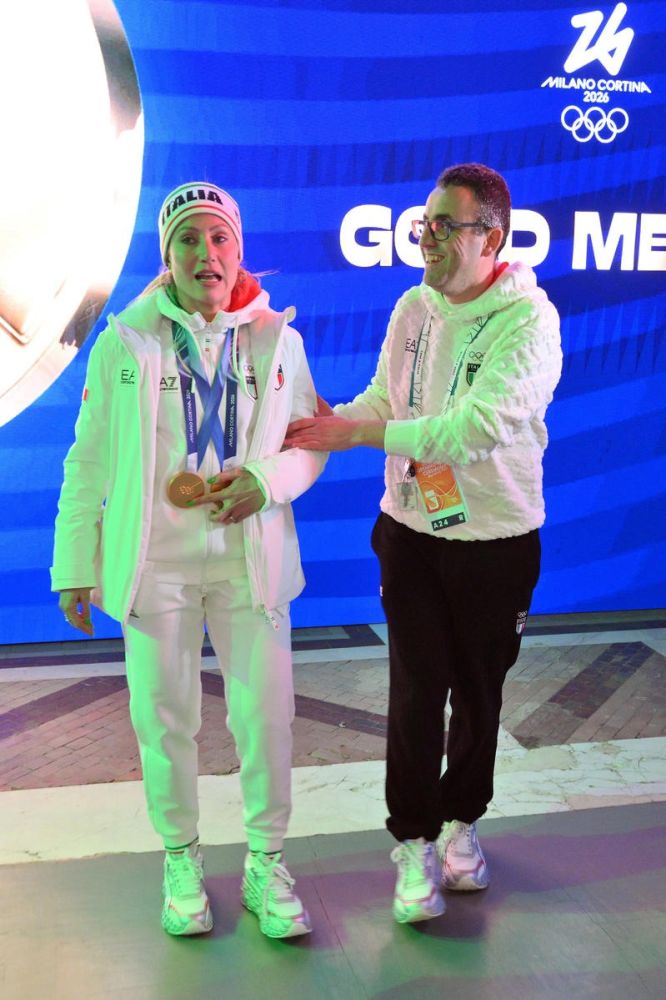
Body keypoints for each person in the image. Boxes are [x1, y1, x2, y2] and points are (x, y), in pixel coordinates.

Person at [285, 163, 562, 924]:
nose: (427, 239)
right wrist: (330, 424)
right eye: (423, 225)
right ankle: (411, 842)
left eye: (444, 226)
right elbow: (386, 400)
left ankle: (460, 823)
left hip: (496, 541)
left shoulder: (530, 323)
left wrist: (361, 434)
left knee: (478, 692)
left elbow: (474, 432)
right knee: (414, 691)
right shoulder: (414, 306)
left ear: (490, 238)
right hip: (408, 532)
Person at [51, 181, 326, 939]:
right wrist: (75, 564)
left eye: (220, 238)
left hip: (250, 561)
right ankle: (181, 858)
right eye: (189, 240)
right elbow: (88, 460)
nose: (207, 254)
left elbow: (309, 445)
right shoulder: (126, 342)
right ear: (166, 256)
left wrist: (267, 481)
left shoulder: (279, 340)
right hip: (158, 567)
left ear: (239, 250)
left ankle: (267, 862)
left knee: (266, 717)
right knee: (163, 718)